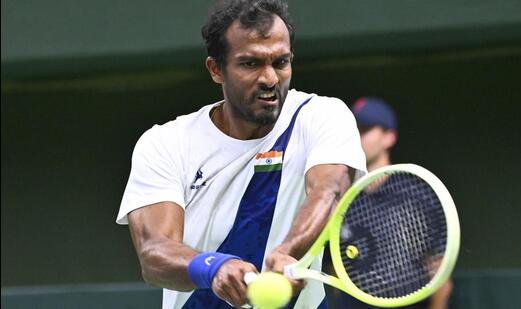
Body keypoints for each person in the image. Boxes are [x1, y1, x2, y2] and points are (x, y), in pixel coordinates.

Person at [115, 1, 367, 308]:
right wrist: (213, 268)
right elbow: (154, 253)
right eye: (251, 64)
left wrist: (288, 250)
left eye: (281, 62)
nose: (270, 79)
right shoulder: (165, 143)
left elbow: (329, 190)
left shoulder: (322, 116)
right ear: (216, 70)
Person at [341, 96, 453, 309]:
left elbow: (440, 273)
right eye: (352, 130)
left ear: (389, 138)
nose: (357, 137)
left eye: (364, 129)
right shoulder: (339, 197)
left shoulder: (416, 195)